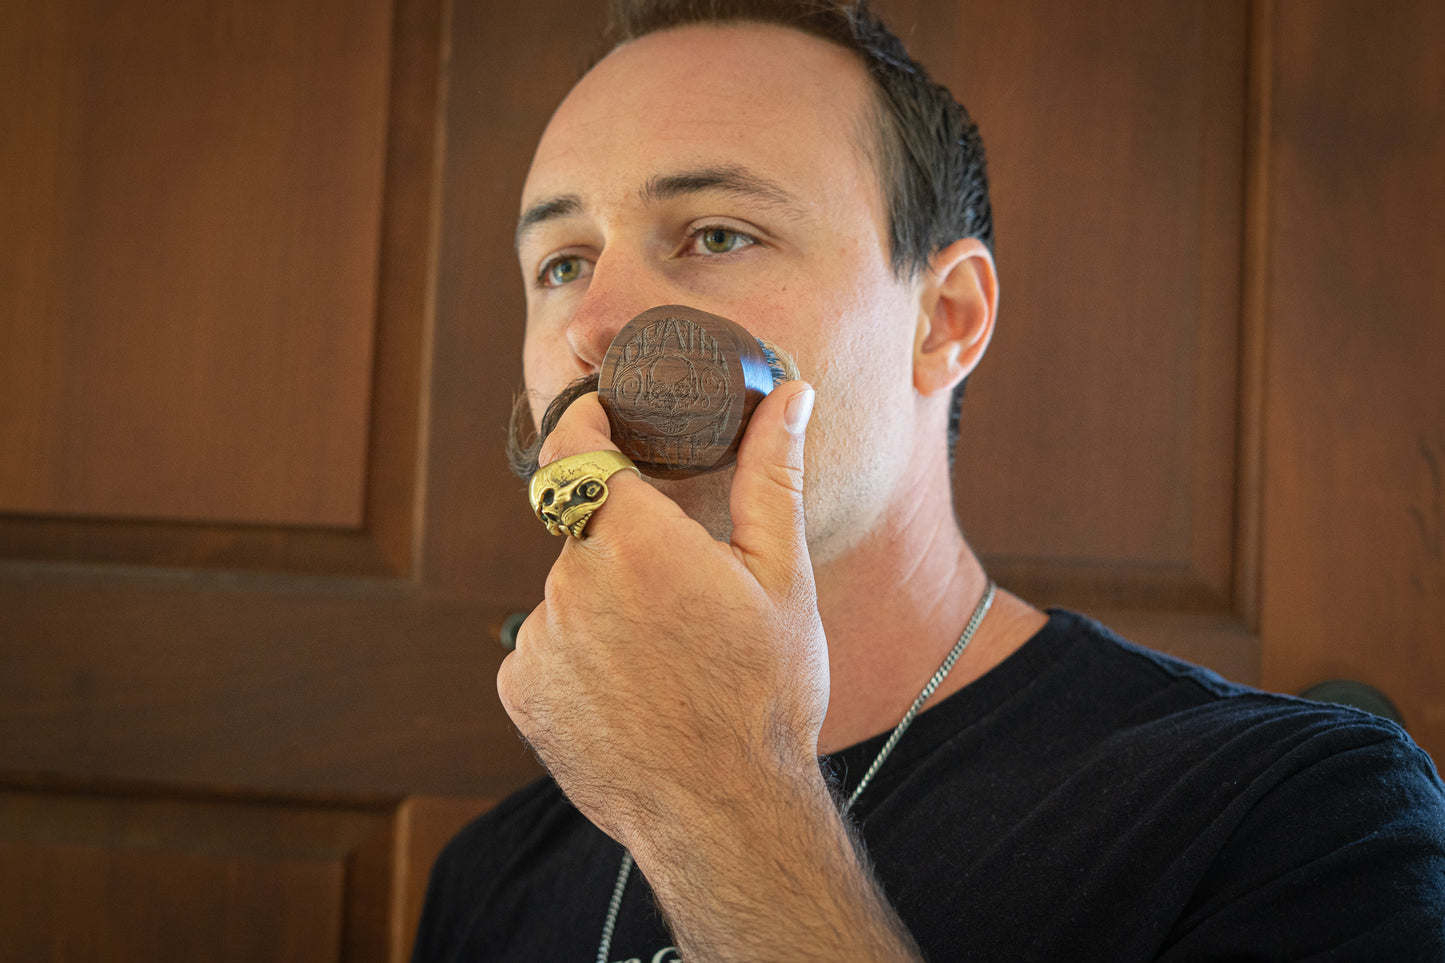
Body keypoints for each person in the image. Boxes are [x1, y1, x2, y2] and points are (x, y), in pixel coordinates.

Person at [414, 1, 1445, 960]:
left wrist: (718, 801)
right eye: (560, 263)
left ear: (944, 317)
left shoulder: (1295, 817)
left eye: (718, 233)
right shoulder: (486, 877)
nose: (593, 326)